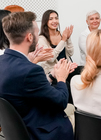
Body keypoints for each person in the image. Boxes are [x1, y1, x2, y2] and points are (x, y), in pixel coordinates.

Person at [0, 11, 73, 140]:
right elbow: (61, 101)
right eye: (36, 33)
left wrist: (51, 75)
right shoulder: (31, 70)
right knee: (75, 113)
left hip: (18, 129)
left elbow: (25, 88)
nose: (38, 37)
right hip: (41, 131)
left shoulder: (3, 62)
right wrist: (61, 78)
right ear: (29, 37)